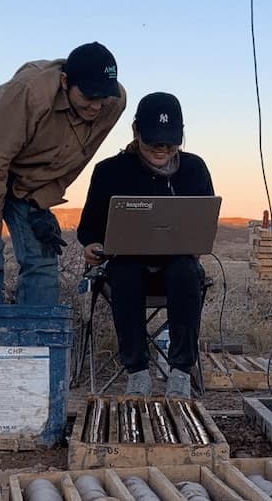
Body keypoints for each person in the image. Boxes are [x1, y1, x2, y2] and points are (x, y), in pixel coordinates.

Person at [0, 44, 125, 306]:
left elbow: (76, 158)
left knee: (42, 255)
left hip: (24, 165)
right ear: (65, 82)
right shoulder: (32, 90)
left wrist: (40, 202)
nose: (97, 106)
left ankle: (34, 341)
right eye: (89, 96)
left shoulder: (114, 103)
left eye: (103, 97)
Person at [77, 92, 213, 398]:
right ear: (136, 131)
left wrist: (196, 243)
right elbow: (88, 230)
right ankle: (137, 372)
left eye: (170, 141)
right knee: (125, 271)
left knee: (186, 270)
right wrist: (92, 246)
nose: (162, 148)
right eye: (153, 140)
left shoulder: (195, 170)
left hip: (177, 266)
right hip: (128, 266)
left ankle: (180, 372)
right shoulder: (110, 171)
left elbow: (203, 225)